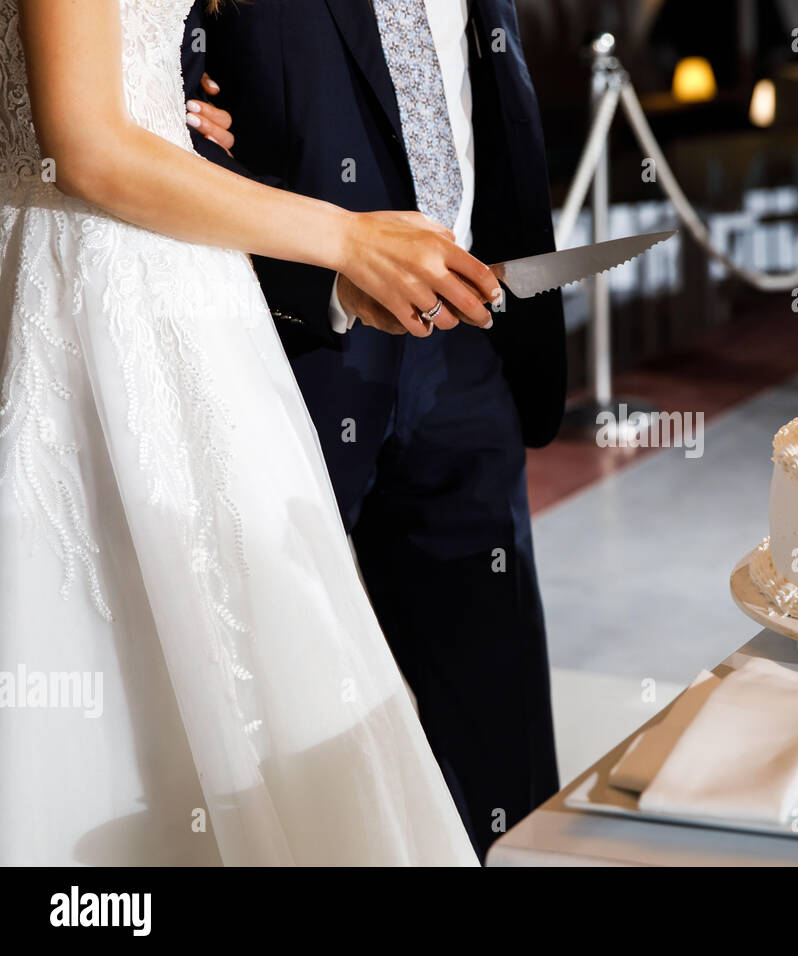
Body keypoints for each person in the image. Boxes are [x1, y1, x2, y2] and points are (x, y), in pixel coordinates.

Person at [0, 0, 483, 865]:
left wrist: (167, 84)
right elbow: (86, 144)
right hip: (86, 283)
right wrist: (348, 241)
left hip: (175, 271)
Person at [179, 0, 566, 858]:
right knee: (284, 686)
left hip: (468, 342)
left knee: (493, 705)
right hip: (295, 342)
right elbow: (149, 111)